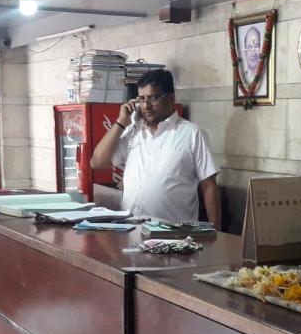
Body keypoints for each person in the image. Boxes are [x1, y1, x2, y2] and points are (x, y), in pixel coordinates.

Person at [91, 69, 222, 230]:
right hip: (132, 230)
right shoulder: (133, 131)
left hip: (174, 235)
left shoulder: (192, 134)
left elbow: (209, 185)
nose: (146, 105)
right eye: (142, 99)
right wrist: (120, 122)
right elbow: (97, 162)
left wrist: (216, 232)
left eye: (153, 98)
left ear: (171, 98)